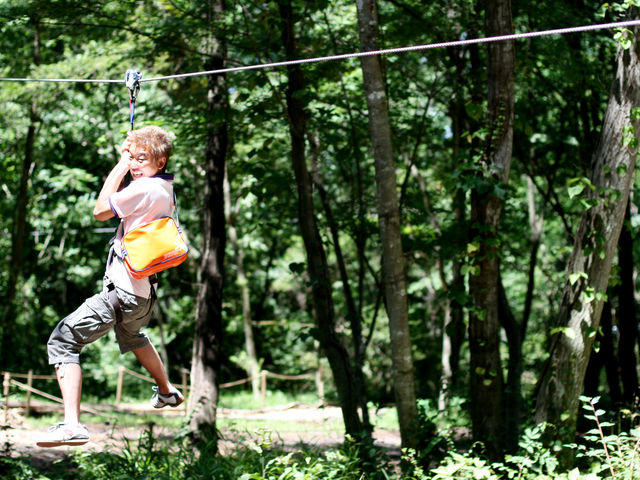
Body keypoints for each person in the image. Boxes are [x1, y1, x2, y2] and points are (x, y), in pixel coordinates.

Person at [37, 126, 184, 448]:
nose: (134, 164)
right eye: (132, 157)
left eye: (142, 158)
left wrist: (119, 165)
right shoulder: (164, 188)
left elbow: (101, 210)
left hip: (123, 292)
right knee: (133, 335)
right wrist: (132, 155)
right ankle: (166, 390)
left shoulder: (144, 187)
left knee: (63, 340)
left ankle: (73, 426)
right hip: (144, 294)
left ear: (160, 161)